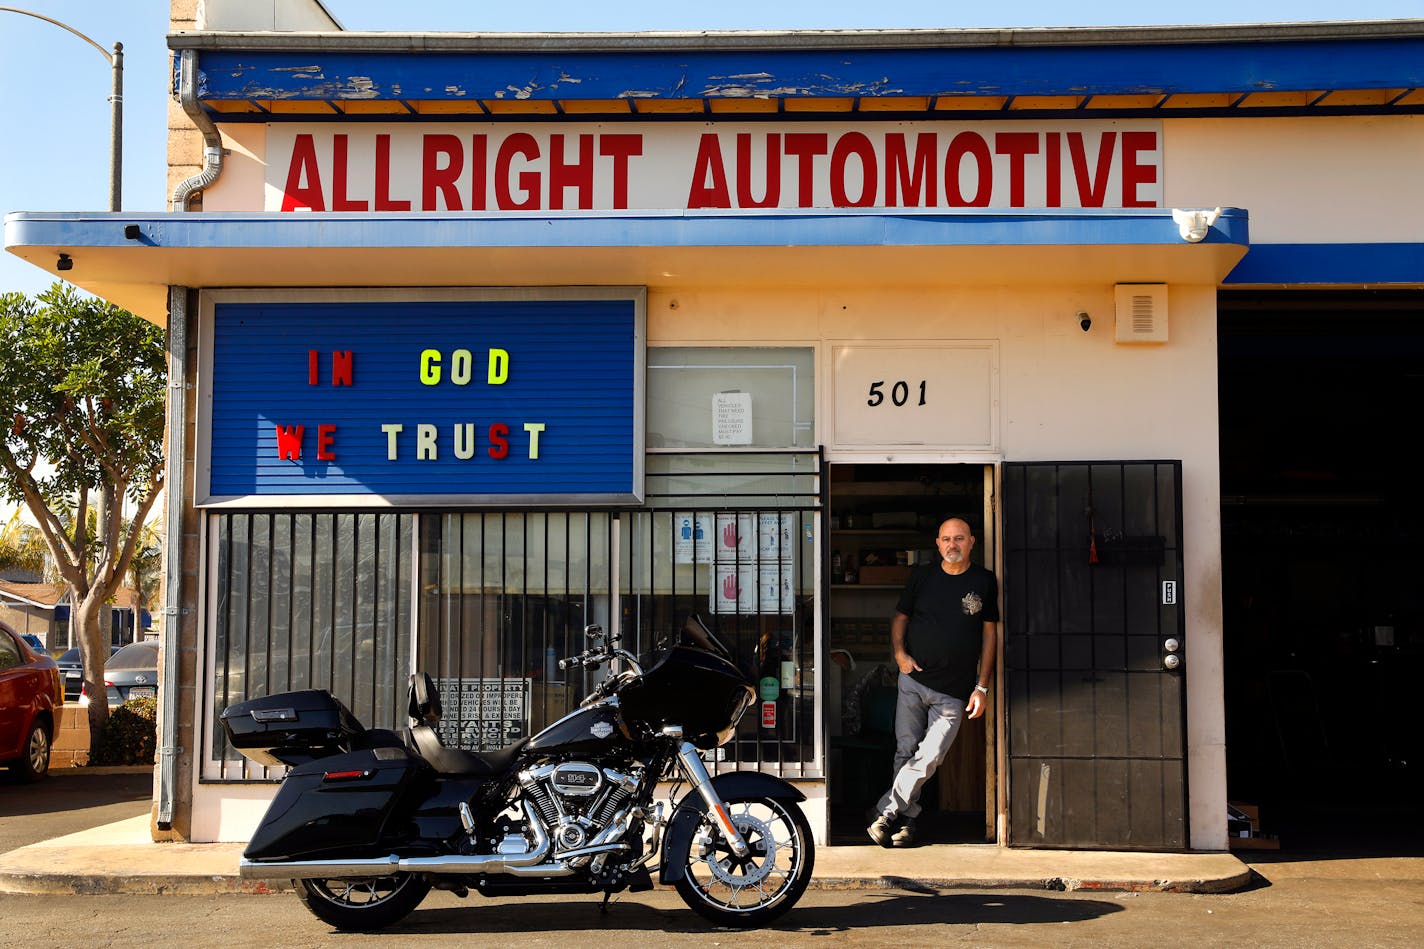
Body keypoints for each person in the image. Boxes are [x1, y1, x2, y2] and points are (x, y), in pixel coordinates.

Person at [867, 516, 998, 848]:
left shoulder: (984, 581)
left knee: (930, 755)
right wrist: (899, 655)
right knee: (905, 752)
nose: (952, 545)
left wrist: (981, 687)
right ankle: (905, 821)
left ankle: (886, 811)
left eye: (959, 538)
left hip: (954, 691)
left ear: (971, 542)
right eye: (945, 539)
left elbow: (989, 634)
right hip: (913, 680)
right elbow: (900, 618)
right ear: (938, 544)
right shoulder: (922, 576)